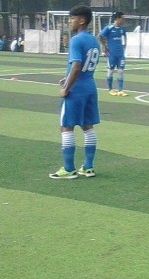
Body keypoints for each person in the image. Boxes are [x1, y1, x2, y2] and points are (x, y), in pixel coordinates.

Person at [49, 4, 101, 180]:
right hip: (90, 86)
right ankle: (88, 167)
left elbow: (77, 65)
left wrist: (66, 88)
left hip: (77, 89)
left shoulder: (76, 40)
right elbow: (84, 67)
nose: (70, 21)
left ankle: (69, 168)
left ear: (82, 20)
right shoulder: (93, 40)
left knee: (66, 126)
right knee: (88, 126)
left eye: (72, 18)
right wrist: (67, 76)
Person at [98, 12, 128, 96]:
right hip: (111, 54)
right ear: (117, 18)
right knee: (110, 71)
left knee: (121, 71)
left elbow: (125, 36)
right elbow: (100, 36)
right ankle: (110, 89)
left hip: (120, 54)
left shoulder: (122, 28)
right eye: (122, 18)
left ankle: (120, 90)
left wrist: (125, 45)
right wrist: (104, 46)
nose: (123, 20)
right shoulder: (109, 28)